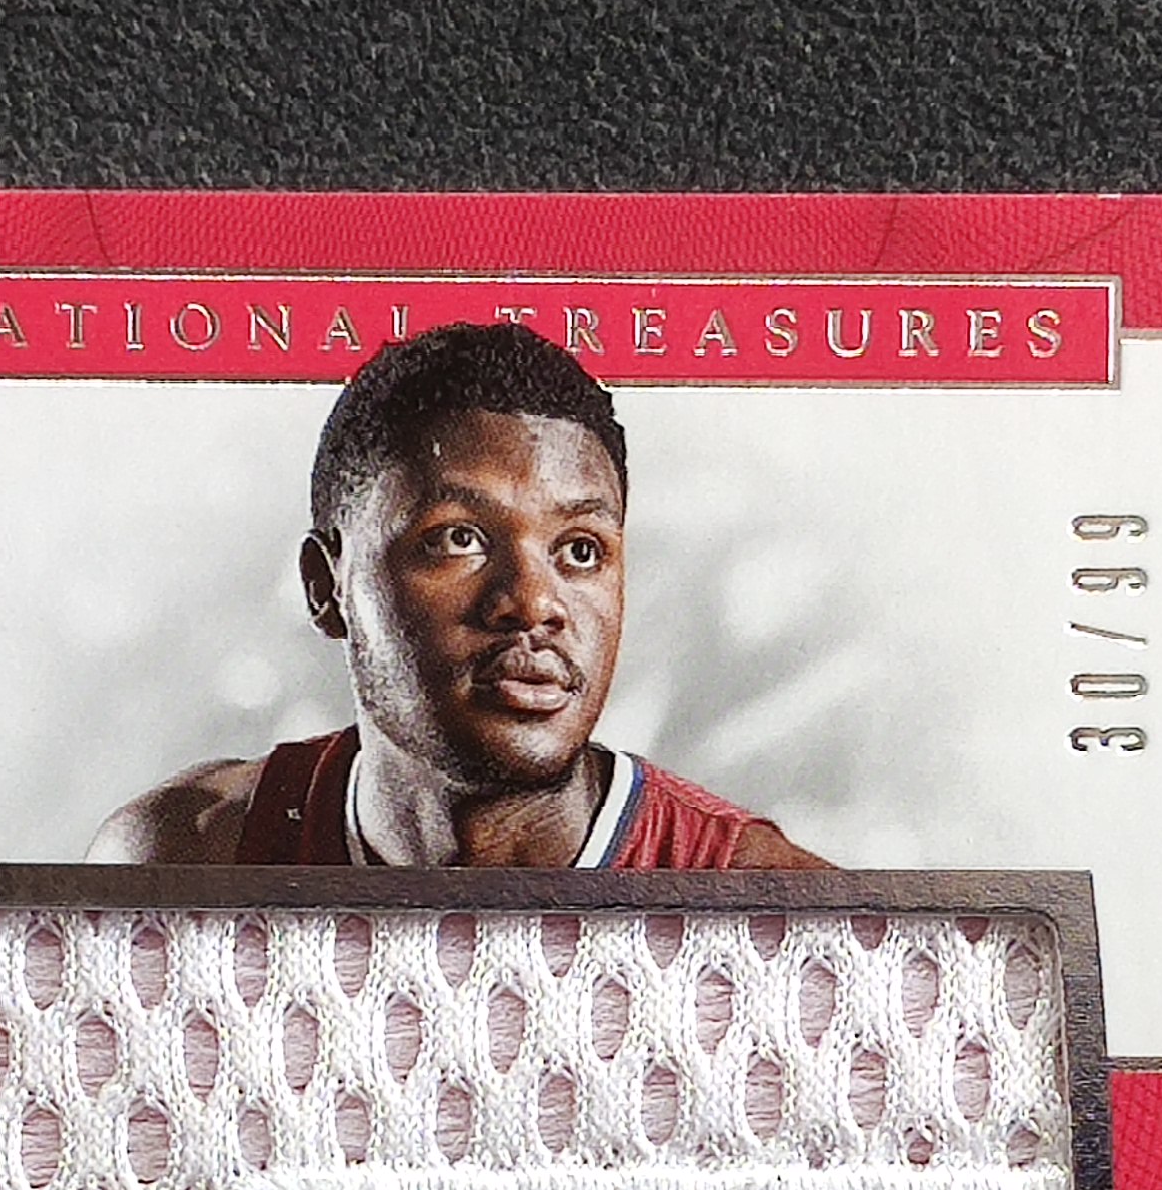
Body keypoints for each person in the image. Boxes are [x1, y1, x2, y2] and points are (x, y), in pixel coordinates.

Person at [86, 323, 828, 872]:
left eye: (580, 550)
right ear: (326, 587)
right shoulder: (188, 856)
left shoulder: (768, 903)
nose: (533, 603)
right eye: (458, 539)